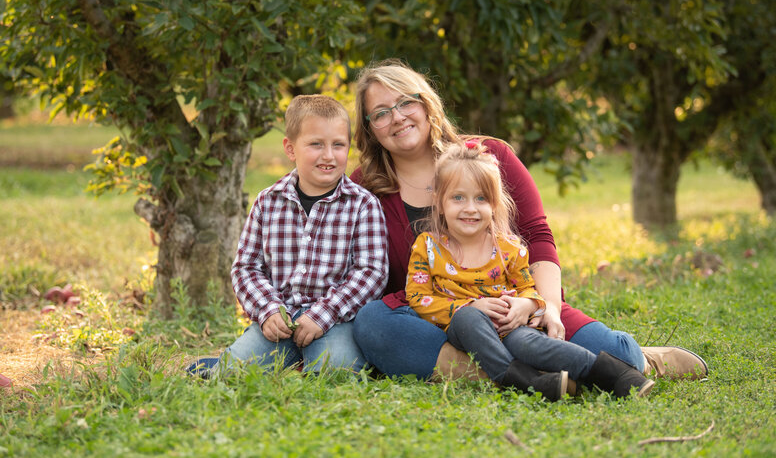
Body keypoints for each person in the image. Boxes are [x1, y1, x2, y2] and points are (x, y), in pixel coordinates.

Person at [350, 59, 708, 382]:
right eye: (381, 113)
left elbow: (538, 236)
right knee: (373, 324)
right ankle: (525, 374)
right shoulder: (362, 188)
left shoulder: (491, 157)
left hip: (516, 311)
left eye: (405, 102)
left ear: (426, 104)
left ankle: (612, 363)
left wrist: (545, 307)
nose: (397, 117)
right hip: (435, 317)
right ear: (370, 128)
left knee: (621, 356)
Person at [405, 141, 653, 400]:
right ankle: (521, 380)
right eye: (458, 197)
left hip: (508, 325)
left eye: (481, 198)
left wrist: (527, 306)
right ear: (439, 202)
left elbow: (527, 289)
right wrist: (467, 307)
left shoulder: (508, 248)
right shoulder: (428, 247)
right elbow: (417, 297)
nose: (470, 208)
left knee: (529, 343)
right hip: (464, 331)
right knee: (468, 319)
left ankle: (614, 373)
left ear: (494, 204)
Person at [188, 94, 388, 377]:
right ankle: (240, 361)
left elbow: (371, 272)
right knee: (231, 374)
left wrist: (323, 315)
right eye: (316, 144)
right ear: (290, 148)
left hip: (334, 321)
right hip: (278, 321)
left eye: (338, 145)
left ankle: (306, 361)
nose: (328, 155)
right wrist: (267, 310)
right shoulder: (267, 202)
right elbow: (246, 268)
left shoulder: (363, 205)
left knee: (338, 371)